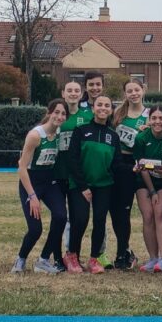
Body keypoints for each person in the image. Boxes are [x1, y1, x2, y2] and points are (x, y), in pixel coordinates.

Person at [12, 99, 68, 274]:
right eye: (56, 112)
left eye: (63, 113)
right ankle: (20, 260)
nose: (59, 116)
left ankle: (43, 260)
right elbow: (21, 167)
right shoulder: (35, 136)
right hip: (30, 182)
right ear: (49, 112)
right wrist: (32, 196)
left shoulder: (60, 134)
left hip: (49, 181)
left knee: (60, 217)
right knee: (36, 229)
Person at [65, 95, 119, 274]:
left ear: (111, 110)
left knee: (100, 221)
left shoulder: (113, 135)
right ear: (93, 108)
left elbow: (117, 163)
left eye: (107, 105)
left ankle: (94, 258)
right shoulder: (81, 130)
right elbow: (72, 159)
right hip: (80, 184)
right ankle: (72, 255)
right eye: (99, 105)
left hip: (104, 184)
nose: (103, 108)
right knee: (80, 220)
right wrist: (83, 186)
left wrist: (137, 166)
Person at [133, 105, 162, 273]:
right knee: (148, 215)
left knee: (159, 212)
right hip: (145, 181)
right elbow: (141, 166)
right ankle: (153, 258)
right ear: (149, 120)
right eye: (154, 118)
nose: (157, 122)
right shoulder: (141, 138)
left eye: (161, 118)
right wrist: (151, 192)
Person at [53, 80, 92, 269]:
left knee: (81, 218)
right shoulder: (56, 116)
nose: (73, 93)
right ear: (63, 93)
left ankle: (73, 254)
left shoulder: (87, 116)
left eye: (77, 90)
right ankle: (56, 258)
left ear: (81, 93)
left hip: (78, 176)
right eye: (69, 90)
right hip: (58, 173)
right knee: (59, 218)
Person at [110, 79, 148, 270]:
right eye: (129, 91)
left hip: (140, 165)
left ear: (143, 91)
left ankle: (151, 255)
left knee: (141, 212)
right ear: (125, 94)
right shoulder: (118, 114)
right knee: (120, 212)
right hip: (120, 165)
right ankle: (123, 251)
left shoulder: (149, 115)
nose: (133, 93)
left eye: (136, 90)